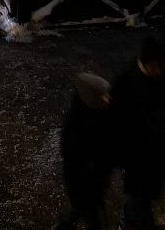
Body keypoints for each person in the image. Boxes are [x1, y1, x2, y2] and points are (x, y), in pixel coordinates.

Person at [110, 37, 165, 230]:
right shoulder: (129, 81)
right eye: (156, 66)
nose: (159, 71)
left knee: (144, 194)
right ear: (146, 64)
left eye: (161, 66)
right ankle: (130, 223)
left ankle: (137, 221)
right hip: (136, 150)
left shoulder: (156, 77)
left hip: (152, 149)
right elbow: (126, 117)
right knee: (138, 194)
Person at [55, 71, 117, 230]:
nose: (107, 99)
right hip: (86, 183)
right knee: (93, 217)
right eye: (102, 96)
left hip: (91, 182)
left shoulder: (94, 112)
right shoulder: (79, 126)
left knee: (80, 209)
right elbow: (79, 156)